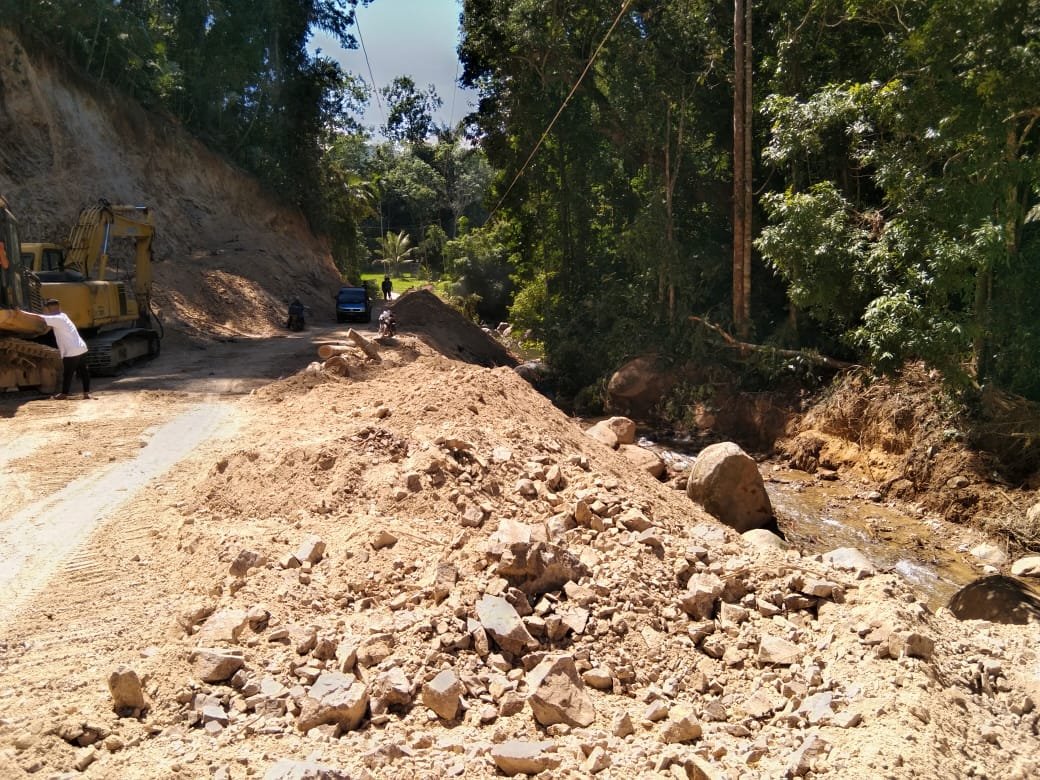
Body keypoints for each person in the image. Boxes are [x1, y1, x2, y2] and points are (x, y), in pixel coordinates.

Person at [30, 298, 92, 400]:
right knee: (84, 371)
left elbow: (39, 317)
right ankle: (86, 393)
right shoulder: (63, 316)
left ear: (49, 308)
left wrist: (20, 312)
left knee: (68, 373)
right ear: (59, 306)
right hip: (81, 348)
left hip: (71, 351)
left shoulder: (57, 319)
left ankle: (64, 394)